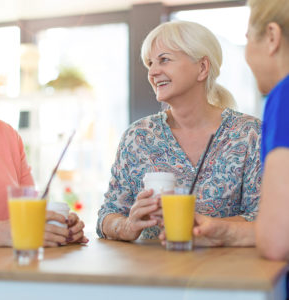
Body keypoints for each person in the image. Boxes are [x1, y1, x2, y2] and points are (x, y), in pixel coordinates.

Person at [96, 21, 262, 243]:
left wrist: (203, 226)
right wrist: (126, 225)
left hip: (226, 273)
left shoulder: (250, 134)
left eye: (164, 60)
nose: (153, 72)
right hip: (152, 273)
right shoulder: (138, 137)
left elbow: (264, 219)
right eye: (150, 63)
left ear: (202, 67)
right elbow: (107, 214)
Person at [0, 57, 88, 247]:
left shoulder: (8, 135)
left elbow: (30, 214)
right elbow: (16, 229)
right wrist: (0, 233)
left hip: (16, 269)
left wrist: (57, 226)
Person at [245, 0, 289, 260]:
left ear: (272, 36)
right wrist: (229, 232)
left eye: (248, 38)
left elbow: (277, 240)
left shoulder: (284, 95)